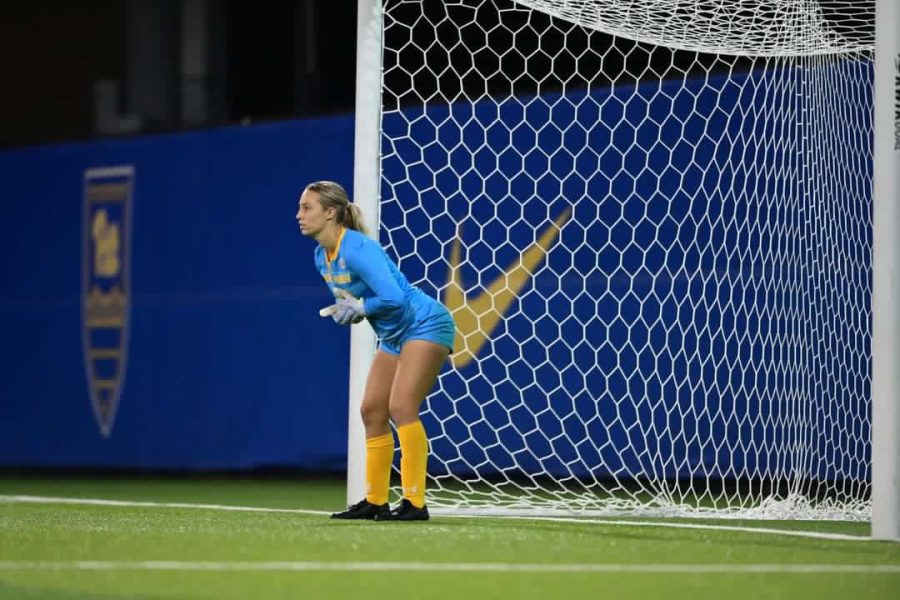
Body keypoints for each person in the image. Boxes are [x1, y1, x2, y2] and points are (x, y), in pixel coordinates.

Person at [296, 181, 455, 521]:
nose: (299, 215)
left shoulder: (356, 248)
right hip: (395, 333)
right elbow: (362, 306)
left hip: (424, 323)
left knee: (401, 406)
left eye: (307, 207)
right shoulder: (320, 257)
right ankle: (376, 500)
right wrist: (348, 313)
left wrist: (361, 307)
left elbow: (394, 298)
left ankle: (415, 503)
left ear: (330, 212)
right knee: (371, 409)